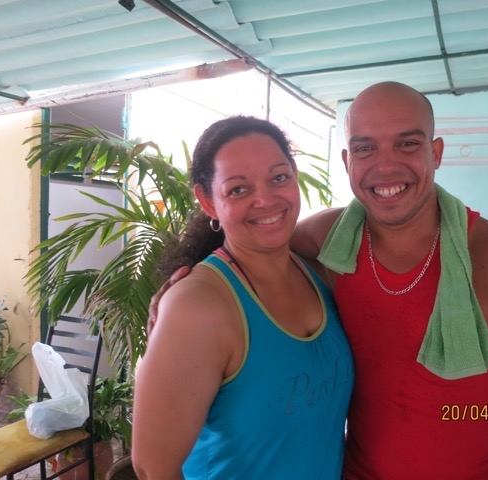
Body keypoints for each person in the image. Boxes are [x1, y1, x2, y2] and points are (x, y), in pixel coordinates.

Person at [150, 82, 488, 479]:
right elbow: (249, 248)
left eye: (407, 143)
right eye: (365, 148)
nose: (386, 166)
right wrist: (180, 295)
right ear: (347, 161)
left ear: (436, 153)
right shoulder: (326, 241)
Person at [132, 116, 354, 480]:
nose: (265, 200)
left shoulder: (318, 271)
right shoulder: (198, 306)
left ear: (294, 176)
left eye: (278, 178)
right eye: (238, 189)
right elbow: (152, 467)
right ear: (208, 201)